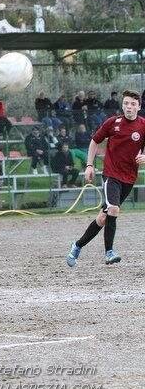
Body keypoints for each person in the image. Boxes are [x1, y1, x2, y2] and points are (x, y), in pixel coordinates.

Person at [66, 90, 145, 267]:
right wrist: (89, 165)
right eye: (126, 103)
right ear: (122, 105)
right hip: (111, 174)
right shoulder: (113, 123)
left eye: (133, 104)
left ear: (139, 107)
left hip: (129, 178)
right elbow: (94, 141)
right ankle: (109, 252)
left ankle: (77, 246)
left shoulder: (143, 125)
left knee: (103, 217)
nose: (129, 107)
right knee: (114, 209)